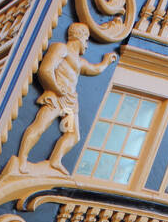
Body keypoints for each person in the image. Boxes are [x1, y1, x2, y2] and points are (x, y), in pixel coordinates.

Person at [17, 22, 116, 173]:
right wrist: (56, 89)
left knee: (73, 135)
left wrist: (106, 61)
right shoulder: (61, 49)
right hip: (56, 98)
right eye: (86, 40)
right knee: (40, 126)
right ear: (79, 36)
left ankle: (55, 160)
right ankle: (21, 160)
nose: (87, 45)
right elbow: (45, 70)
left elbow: (94, 69)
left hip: (69, 103)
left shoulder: (79, 61)